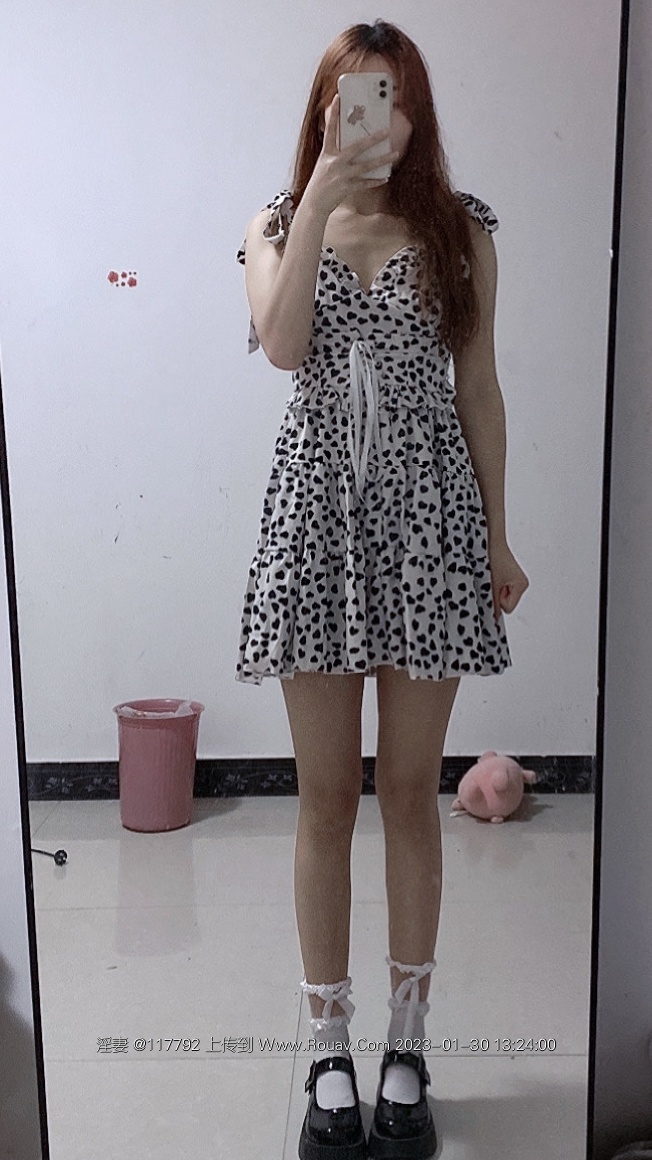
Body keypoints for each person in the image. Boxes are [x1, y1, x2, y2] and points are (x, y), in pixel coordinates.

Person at [235, 18, 529, 1160]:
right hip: (315, 523)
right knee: (324, 799)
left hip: (428, 524)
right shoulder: (272, 224)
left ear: (419, 113)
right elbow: (281, 345)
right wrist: (317, 196)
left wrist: (497, 536)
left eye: (395, 97)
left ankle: (407, 1042)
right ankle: (328, 1047)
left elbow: (480, 387)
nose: (378, 118)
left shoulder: (461, 230)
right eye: (354, 97)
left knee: (409, 792)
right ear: (324, 110)